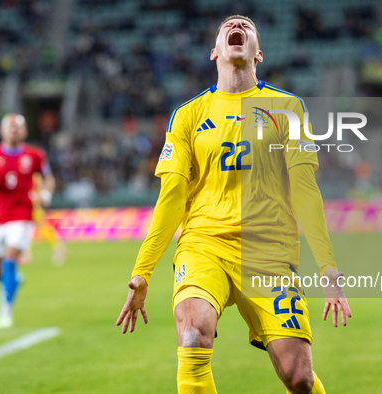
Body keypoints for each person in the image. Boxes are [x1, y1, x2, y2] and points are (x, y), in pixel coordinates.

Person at [116, 15, 351, 394]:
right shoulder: (188, 115)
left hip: (270, 253)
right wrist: (143, 271)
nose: (236, 26)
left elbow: (305, 191)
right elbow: (171, 197)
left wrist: (328, 267)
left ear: (259, 53)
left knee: (299, 378)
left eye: (246, 25)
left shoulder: (288, 108)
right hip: (204, 244)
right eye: (227, 26)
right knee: (192, 333)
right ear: (214, 52)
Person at [0, 114, 55, 329]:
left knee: (9, 259)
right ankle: (13, 280)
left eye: (18, 127)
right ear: (1, 131)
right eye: (10, 127)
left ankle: (5, 311)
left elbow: (48, 179)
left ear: (25, 132)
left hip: (22, 216)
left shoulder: (35, 155)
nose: (14, 131)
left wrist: (45, 195)